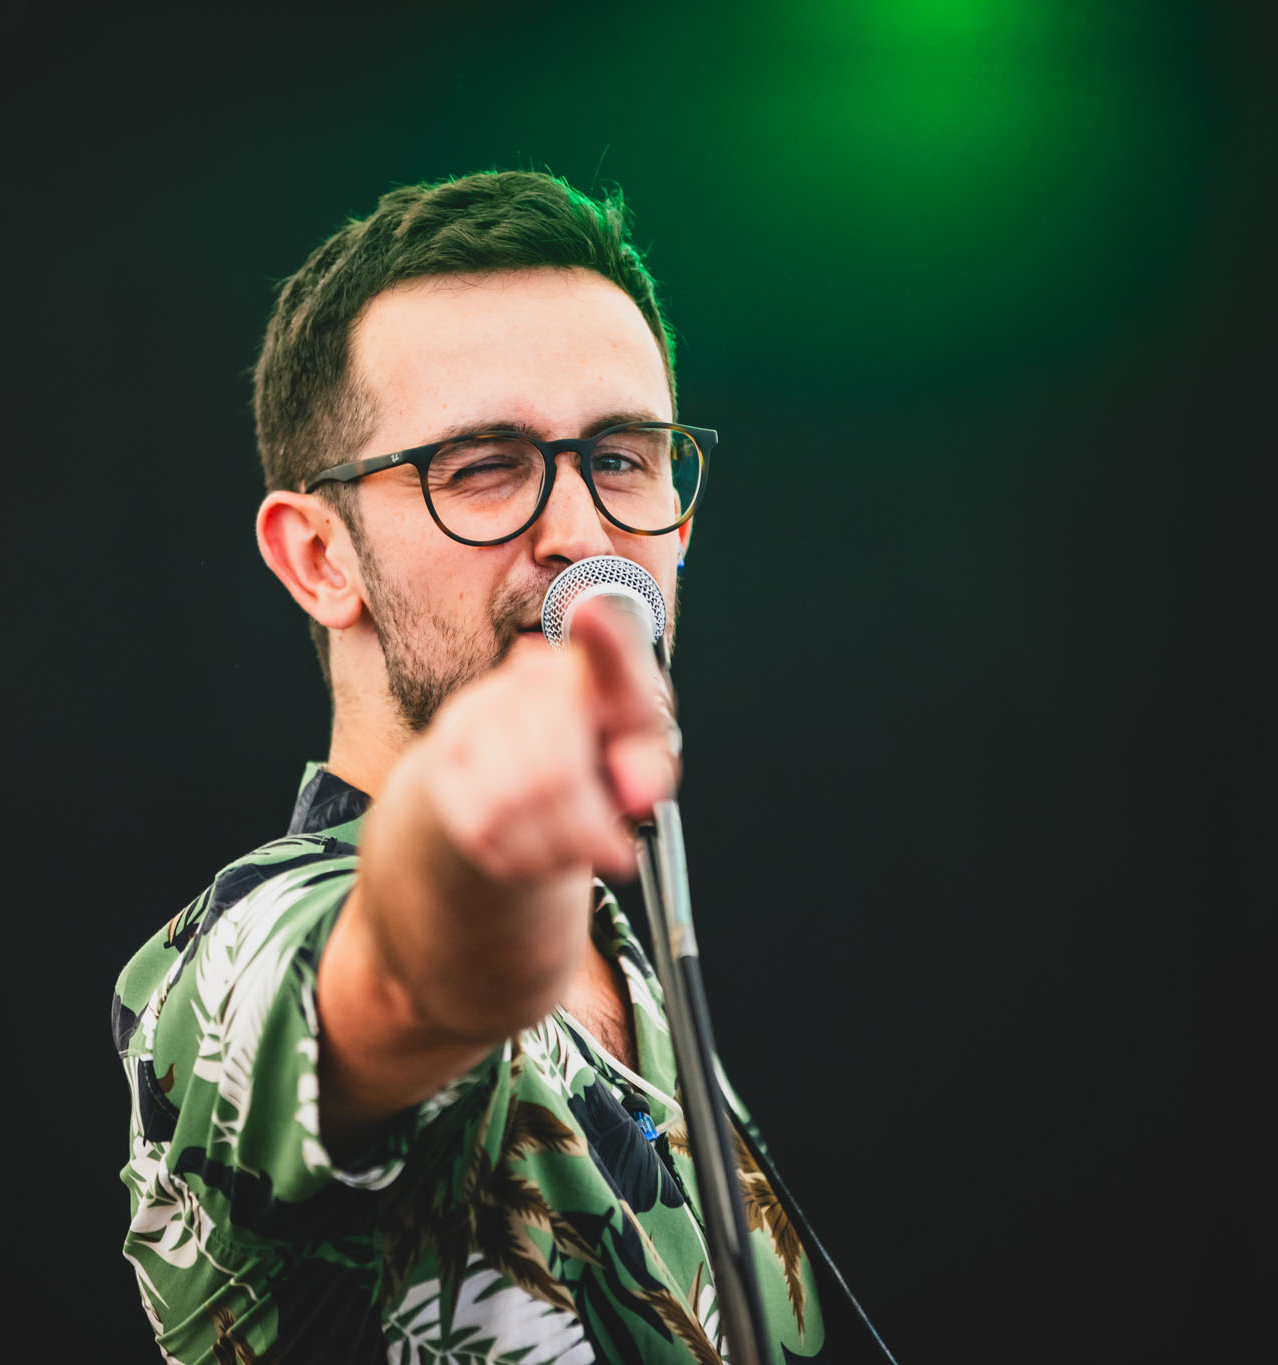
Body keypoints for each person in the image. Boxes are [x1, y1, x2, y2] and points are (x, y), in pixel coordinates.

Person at [114, 171, 833, 1363]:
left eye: (621, 458)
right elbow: (400, 973)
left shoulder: (639, 968)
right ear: (319, 558)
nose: (581, 537)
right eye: (483, 465)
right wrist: (464, 855)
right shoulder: (243, 947)